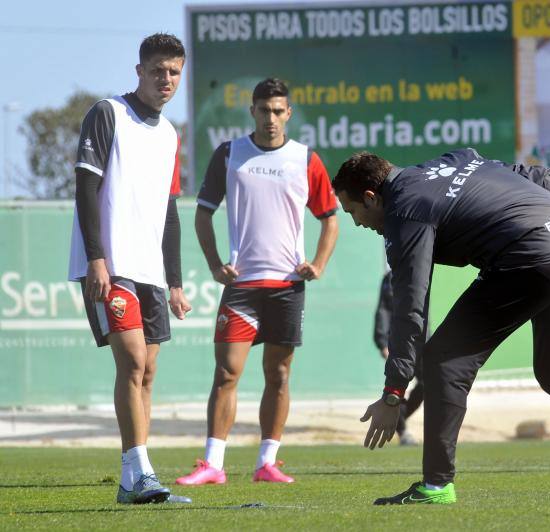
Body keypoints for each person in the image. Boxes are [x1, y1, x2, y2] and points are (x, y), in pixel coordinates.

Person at [333, 148, 550, 505]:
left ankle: (436, 486)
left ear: (370, 197)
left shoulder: (404, 210)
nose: (358, 223)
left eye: (353, 212)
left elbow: (410, 304)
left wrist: (394, 391)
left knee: (444, 360)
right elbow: (539, 175)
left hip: (532, 257)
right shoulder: (453, 160)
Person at [175, 78, 339, 486]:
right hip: (242, 287)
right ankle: (213, 464)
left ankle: (268, 462)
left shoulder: (306, 159)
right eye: (264, 110)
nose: (271, 118)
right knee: (227, 373)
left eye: (278, 110)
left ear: (289, 113)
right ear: (252, 111)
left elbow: (330, 218)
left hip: (286, 287)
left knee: (279, 375)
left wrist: (317, 263)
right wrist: (215, 264)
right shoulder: (230, 154)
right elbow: (202, 214)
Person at [67, 33, 192, 504]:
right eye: (157, 70)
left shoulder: (169, 134)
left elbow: (170, 209)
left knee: (149, 371)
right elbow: (85, 186)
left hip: (150, 270)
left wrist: (174, 281)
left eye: (174, 72)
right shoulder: (107, 113)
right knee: (133, 361)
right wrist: (97, 258)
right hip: (111, 265)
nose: (166, 79)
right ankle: (136, 471)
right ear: (139, 71)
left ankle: (136, 480)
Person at [374, 268, 424, 446]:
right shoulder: (392, 277)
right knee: (398, 384)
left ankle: (396, 419)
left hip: (421, 340)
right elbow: (383, 310)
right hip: (399, 340)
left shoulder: (423, 271)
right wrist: (382, 341)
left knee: (428, 382)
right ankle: (403, 432)